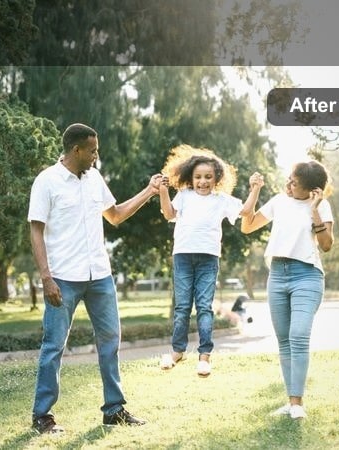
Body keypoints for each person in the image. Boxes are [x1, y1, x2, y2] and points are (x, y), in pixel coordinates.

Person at [28, 123, 162, 433]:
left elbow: (115, 215)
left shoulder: (94, 178)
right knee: (54, 346)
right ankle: (42, 415)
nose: (96, 156)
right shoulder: (47, 181)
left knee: (110, 341)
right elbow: (36, 230)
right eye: (92, 151)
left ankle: (114, 410)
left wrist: (149, 191)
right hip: (63, 277)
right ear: (76, 150)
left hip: (100, 275)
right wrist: (46, 277)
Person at [156, 145, 263, 377]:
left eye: (208, 177)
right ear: (190, 178)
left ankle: (204, 356)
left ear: (216, 179)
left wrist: (255, 189)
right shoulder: (184, 195)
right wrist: (163, 191)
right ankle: (177, 351)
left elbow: (246, 211)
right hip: (183, 256)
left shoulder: (221, 200)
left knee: (204, 307)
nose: (202, 181)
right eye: (198, 177)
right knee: (182, 307)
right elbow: (169, 214)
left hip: (208, 258)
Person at [241, 160, 334, 420]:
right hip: (277, 275)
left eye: (295, 183)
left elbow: (327, 245)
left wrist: (314, 210)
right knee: (284, 341)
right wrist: (255, 190)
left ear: (312, 190)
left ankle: (297, 404)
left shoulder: (322, 205)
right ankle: (292, 402)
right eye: (290, 179)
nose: (289, 184)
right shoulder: (279, 201)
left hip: (307, 275)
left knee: (298, 335)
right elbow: (247, 226)